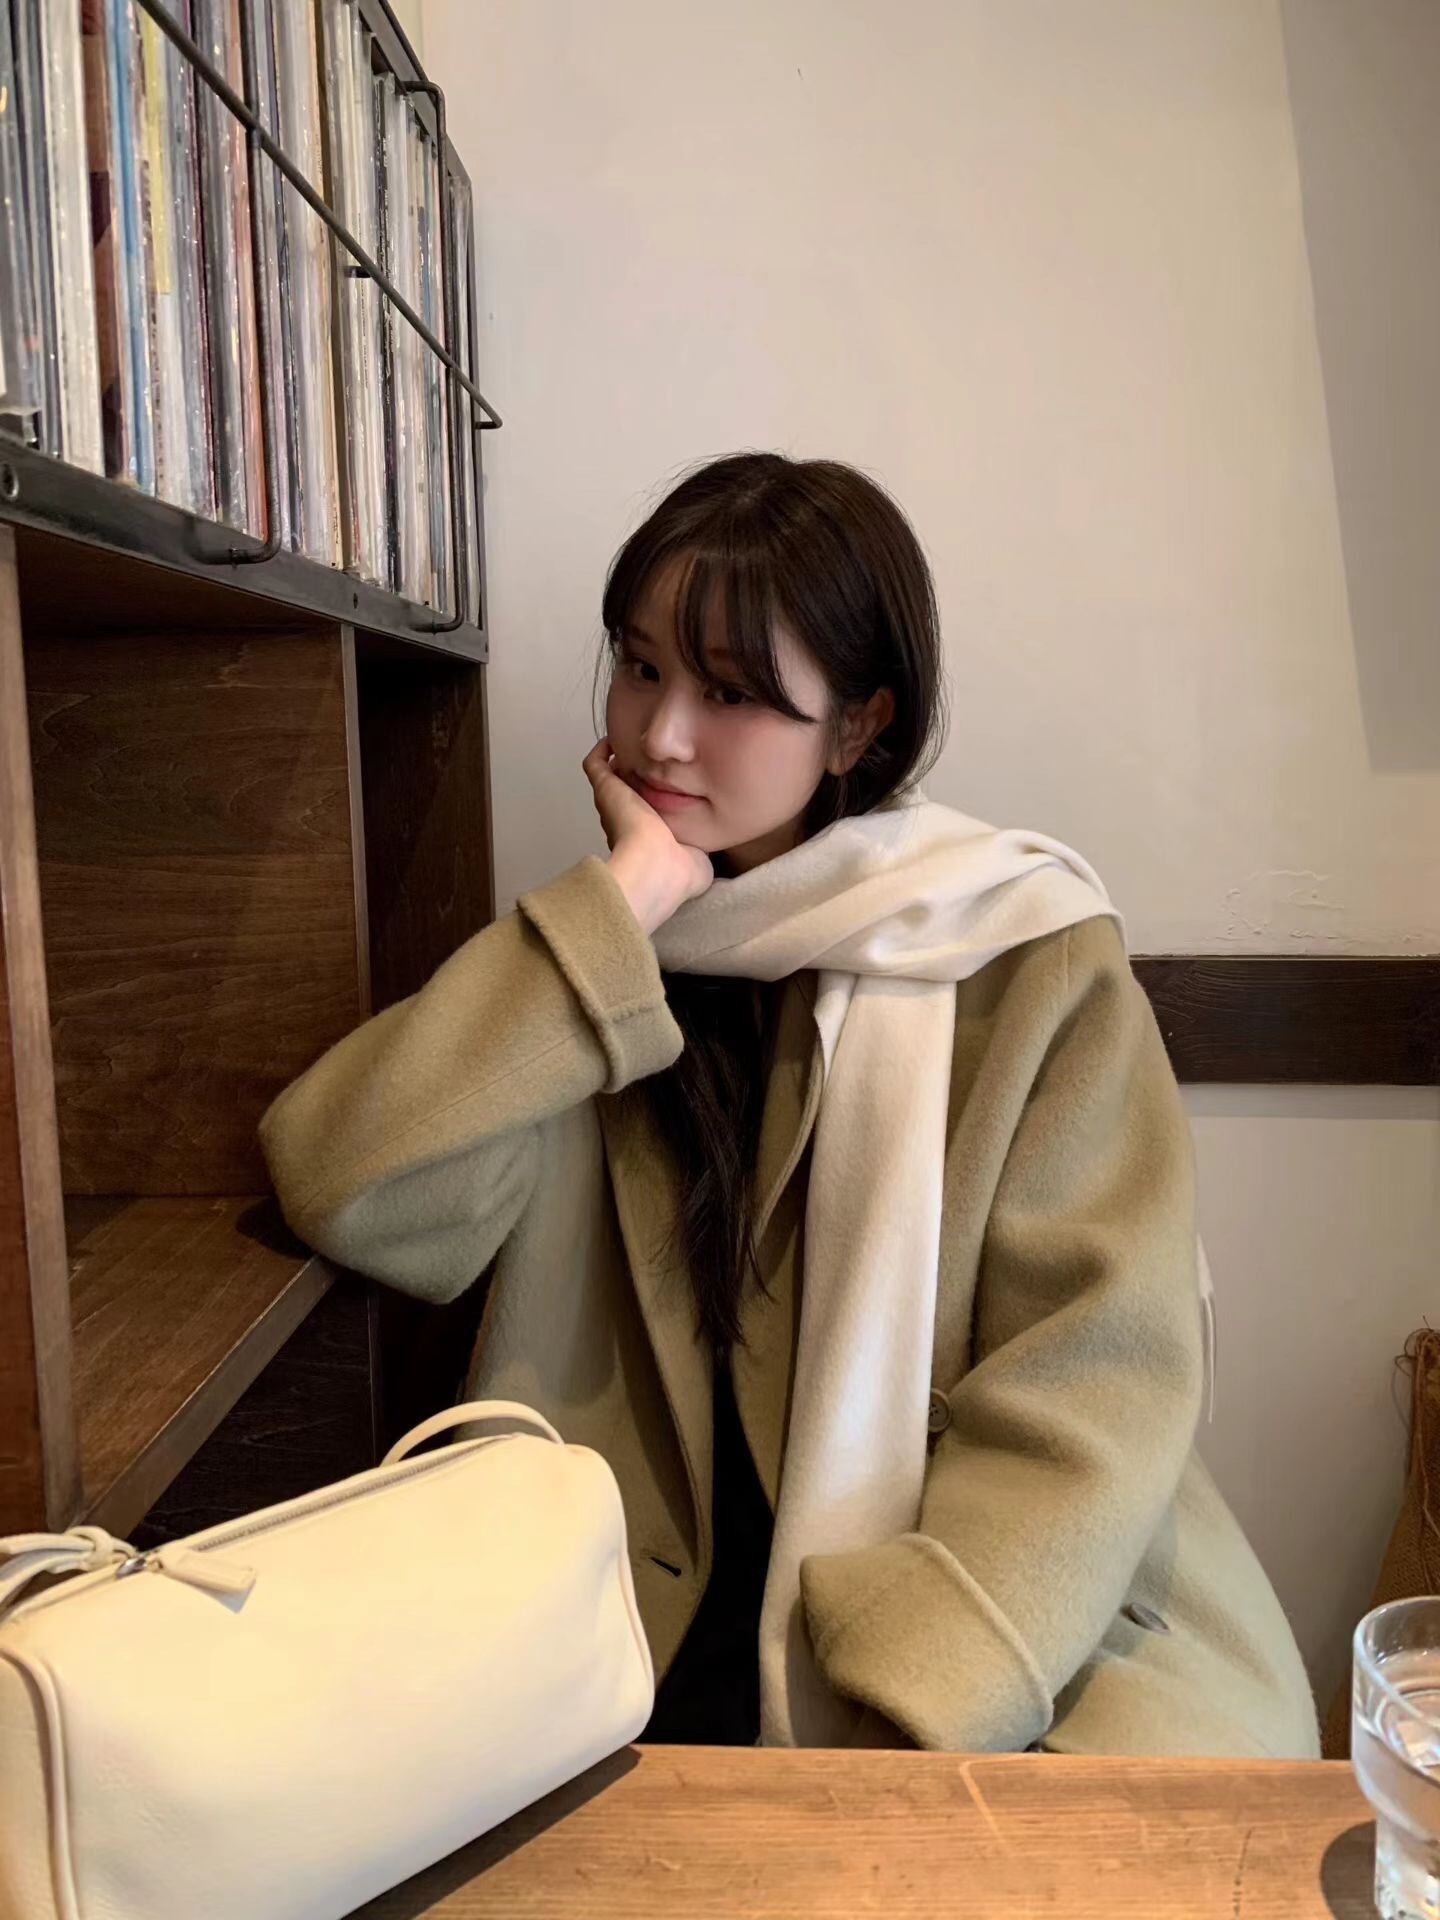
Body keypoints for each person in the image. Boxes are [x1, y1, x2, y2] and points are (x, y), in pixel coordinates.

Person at [259, 452, 1318, 1756]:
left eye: (731, 692)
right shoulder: (594, 970)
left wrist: (921, 1693)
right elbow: (348, 1184)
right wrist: (621, 911)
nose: (662, 734)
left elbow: (1097, 1376)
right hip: (634, 1627)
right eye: (640, 667)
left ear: (858, 727)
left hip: (995, 1616)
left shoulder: (1023, 954)